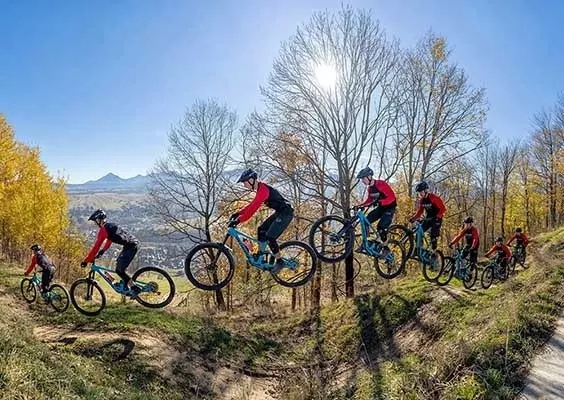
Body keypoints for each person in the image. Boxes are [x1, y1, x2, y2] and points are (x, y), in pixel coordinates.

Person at [230, 168, 294, 271]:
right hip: (280, 213)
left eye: (244, 182)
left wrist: (238, 220)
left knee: (270, 237)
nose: (244, 185)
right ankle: (261, 256)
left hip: (285, 214)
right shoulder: (260, 189)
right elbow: (252, 205)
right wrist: (238, 213)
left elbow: (252, 210)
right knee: (261, 230)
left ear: (251, 180)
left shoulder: (263, 190)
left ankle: (280, 262)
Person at [81, 209, 140, 296]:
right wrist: (103, 251)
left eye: (95, 221)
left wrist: (86, 260)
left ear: (99, 220)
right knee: (118, 264)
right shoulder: (110, 225)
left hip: (130, 247)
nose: (95, 224)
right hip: (131, 244)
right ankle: (126, 287)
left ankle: (135, 288)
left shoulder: (103, 230)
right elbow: (109, 240)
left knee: (119, 271)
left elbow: (96, 248)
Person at [354, 167, 397, 249]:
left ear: (369, 177)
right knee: (366, 221)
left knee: (381, 227)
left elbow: (391, 197)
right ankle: (367, 242)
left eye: (363, 178)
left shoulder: (381, 184)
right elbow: (369, 200)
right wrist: (360, 205)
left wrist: (380, 202)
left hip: (389, 208)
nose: (362, 181)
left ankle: (386, 248)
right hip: (381, 208)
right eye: (362, 179)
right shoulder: (370, 189)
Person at [408, 181, 446, 251]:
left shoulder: (433, 198)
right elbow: (420, 211)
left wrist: (438, 216)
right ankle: (419, 249)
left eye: (421, 192)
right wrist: (414, 218)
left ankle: (434, 252)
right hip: (428, 219)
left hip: (437, 219)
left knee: (433, 235)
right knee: (419, 232)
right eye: (419, 192)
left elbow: (443, 208)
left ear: (426, 190)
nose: (420, 194)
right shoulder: (422, 200)